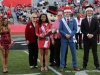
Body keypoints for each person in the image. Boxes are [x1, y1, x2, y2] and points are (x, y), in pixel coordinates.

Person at [59, 5, 79, 71]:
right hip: (64, 39)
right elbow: (60, 29)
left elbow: (75, 29)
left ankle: (75, 66)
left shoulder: (73, 20)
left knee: (74, 53)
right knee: (63, 53)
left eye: (68, 12)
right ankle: (62, 66)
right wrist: (65, 35)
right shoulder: (62, 20)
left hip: (71, 38)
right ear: (64, 13)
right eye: (66, 12)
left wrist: (70, 35)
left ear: (70, 13)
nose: (67, 13)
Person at [81, 4, 100, 70]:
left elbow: (97, 29)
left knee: (95, 53)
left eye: (90, 11)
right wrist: (87, 34)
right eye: (88, 11)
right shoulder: (83, 20)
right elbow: (82, 29)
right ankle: (84, 65)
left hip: (93, 39)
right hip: (86, 39)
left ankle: (97, 65)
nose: (89, 12)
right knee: (86, 53)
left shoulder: (95, 20)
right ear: (86, 12)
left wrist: (92, 34)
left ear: (92, 12)